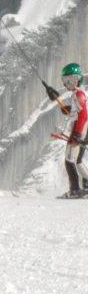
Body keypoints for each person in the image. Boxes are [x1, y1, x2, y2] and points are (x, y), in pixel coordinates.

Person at [58, 63, 88, 198]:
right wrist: (69, 110)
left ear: (75, 79)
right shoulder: (79, 93)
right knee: (78, 160)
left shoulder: (78, 94)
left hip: (80, 130)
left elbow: (84, 115)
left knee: (69, 159)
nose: (65, 84)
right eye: (64, 80)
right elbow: (78, 111)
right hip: (83, 130)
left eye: (67, 80)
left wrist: (76, 135)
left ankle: (75, 190)